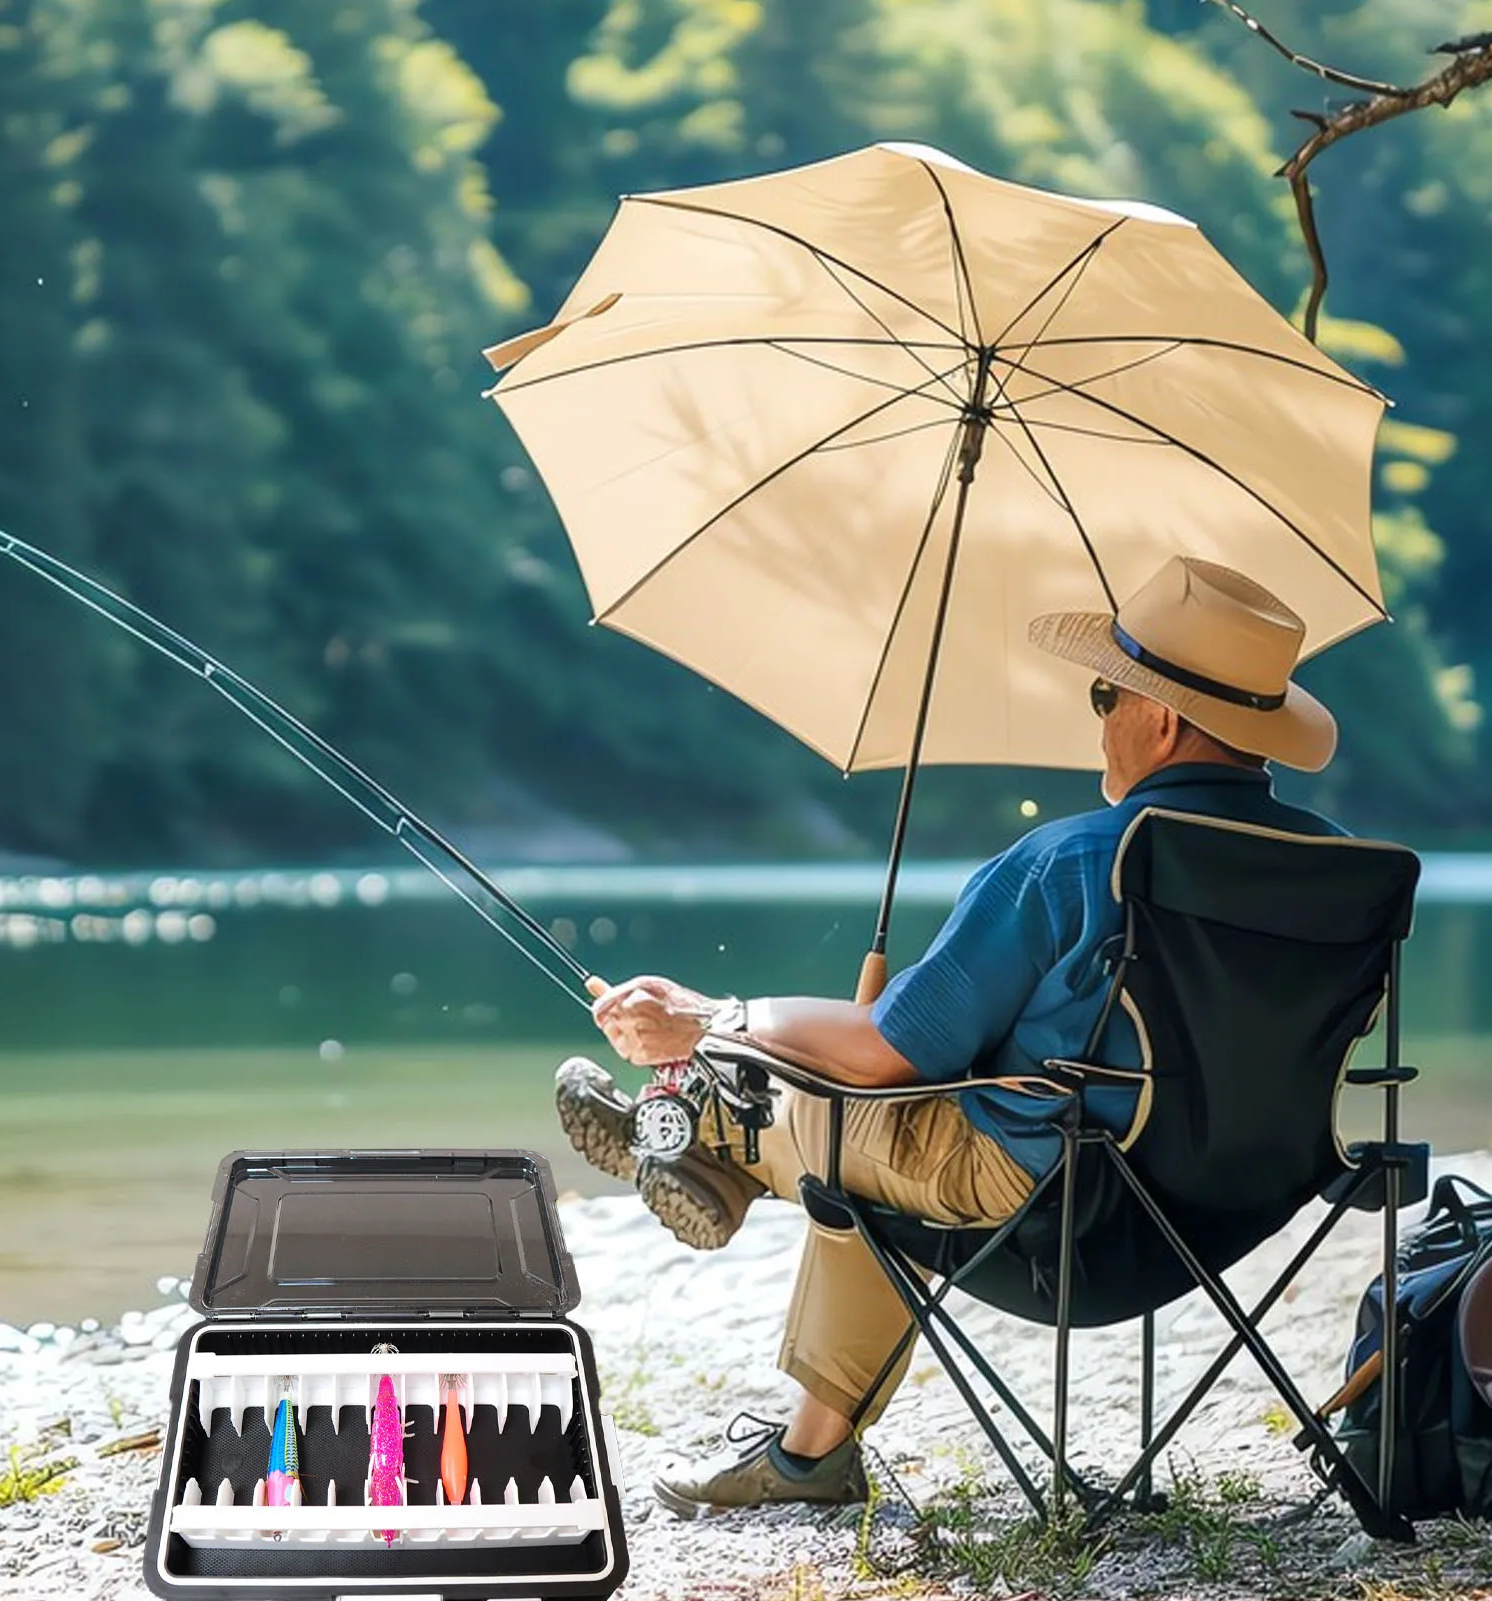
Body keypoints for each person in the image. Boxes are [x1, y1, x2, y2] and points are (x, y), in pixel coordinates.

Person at [555, 555, 1347, 1515]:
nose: (1098, 718)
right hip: (1237, 1203)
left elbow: (895, 1049)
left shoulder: (1075, 859)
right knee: (852, 1129)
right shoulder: (1337, 873)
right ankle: (724, 1202)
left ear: (1162, 715)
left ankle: (700, 1135)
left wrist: (709, 1018)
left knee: (831, 1106)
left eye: (1106, 693)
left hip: (1060, 1202)